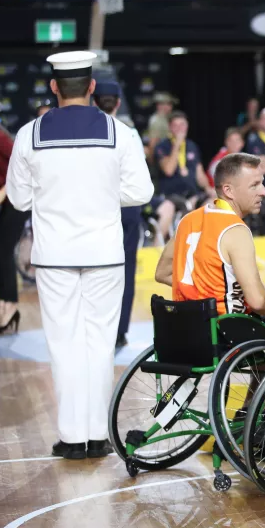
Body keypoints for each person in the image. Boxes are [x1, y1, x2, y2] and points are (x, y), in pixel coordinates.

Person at [6, 51, 154, 459]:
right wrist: (105, 196)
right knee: (100, 343)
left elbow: (17, 199)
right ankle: (98, 435)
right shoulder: (121, 133)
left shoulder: (28, 135)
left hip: (54, 256)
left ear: (54, 88)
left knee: (65, 343)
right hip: (105, 253)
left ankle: (72, 438)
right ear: (91, 88)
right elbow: (142, 193)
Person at [154, 153, 265, 343]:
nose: (264, 192)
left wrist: (203, 294)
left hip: (185, 332)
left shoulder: (188, 220)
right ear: (228, 190)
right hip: (225, 334)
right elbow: (258, 302)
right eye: (254, 185)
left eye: (262, 183)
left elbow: (162, 274)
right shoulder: (235, 230)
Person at [91, 80, 144, 349]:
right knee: (127, 270)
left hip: (98, 208)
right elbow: (141, 179)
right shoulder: (129, 133)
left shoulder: (88, 133)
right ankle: (120, 331)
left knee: (95, 269)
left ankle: (98, 328)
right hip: (127, 209)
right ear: (118, 103)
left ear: (94, 101)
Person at [153, 111, 215, 240]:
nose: (180, 129)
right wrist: (177, 145)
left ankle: (206, 242)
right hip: (171, 195)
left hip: (192, 193)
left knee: (213, 202)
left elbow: (199, 174)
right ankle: (158, 245)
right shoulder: (162, 146)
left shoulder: (192, 146)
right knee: (184, 206)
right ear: (170, 128)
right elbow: (168, 170)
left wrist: (209, 188)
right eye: (175, 125)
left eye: (182, 125)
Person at [0, 121, 27, 334]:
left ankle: (10, 305)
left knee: (3, 251)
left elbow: (23, 165)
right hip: (7, 201)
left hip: (18, 198)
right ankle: (4, 305)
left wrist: (4, 191)